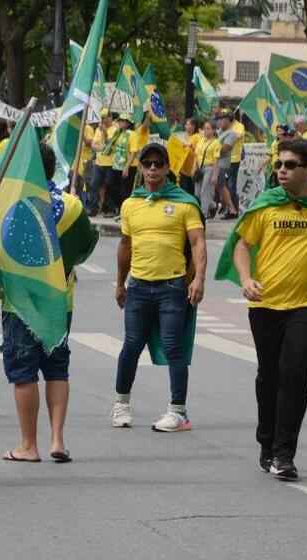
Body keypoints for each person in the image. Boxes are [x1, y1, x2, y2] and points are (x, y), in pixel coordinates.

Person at [225, 138, 307, 480]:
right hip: (265, 305)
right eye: (279, 164)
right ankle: (266, 441)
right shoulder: (266, 206)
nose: (281, 170)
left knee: (295, 375)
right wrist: (247, 279)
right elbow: (242, 245)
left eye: (290, 165)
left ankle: (284, 454)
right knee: (270, 377)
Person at [0, 145, 98, 464]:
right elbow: (85, 247)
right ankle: (58, 439)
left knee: (24, 373)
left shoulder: (7, 205)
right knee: (56, 368)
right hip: (59, 300)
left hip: (20, 303)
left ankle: (28, 444)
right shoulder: (71, 205)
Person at [113, 143, 207, 433]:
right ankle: (121, 405)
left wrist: (199, 278)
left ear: (167, 168)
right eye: (147, 164)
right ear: (140, 168)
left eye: (158, 164)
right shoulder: (130, 204)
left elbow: (197, 244)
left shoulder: (185, 203)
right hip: (138, 287)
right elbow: (125, 246)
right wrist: (120, 282)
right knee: (131, 345)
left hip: (172, 288)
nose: (152, 169)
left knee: (173, 348)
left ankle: (178, 412)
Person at [90, 113, 117, 216]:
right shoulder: (97, 129)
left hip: (110, 163)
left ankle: (109, 209)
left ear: (110, 117)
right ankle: (93, 208)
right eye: (101, 118)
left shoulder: (115, 129)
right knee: (94, 184)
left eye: (105, 117)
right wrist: (98, 147)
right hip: (99, 162)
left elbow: (110, 145)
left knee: (109, 186)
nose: (103, 120)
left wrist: (105, 133)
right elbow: (93, 144)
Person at [196, 121, 223, 219]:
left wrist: (215, 175)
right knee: (197, 193)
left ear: (213, 130)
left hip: (209, 168)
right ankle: (214, 205)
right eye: (205, 128)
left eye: (208, 128)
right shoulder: (201, 141)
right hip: (199, 168)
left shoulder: (216, 142)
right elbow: (197, 155)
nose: (206, 131)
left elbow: (217, 160)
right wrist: (194, 168)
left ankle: (203, 214)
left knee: (204, 191)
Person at [216, 113, 240, 218]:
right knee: (220, 187)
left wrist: (211, 150)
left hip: (223, 164)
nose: (220, 122)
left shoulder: (232, 133)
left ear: (230, 121)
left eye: (223, 119)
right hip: (214, 163)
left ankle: (232, 210)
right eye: (219, 119)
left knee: (224, 186)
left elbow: (226, 148)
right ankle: (227, 208)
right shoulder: (219, 132)